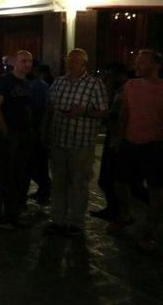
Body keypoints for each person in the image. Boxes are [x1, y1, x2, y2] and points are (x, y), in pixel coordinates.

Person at [44, 48, 108, 237]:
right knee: (58, 182)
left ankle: (76, 223)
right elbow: (51, 107)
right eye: (69, 60)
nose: (70, 63)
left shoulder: (94, 84)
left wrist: (84, 112)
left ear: (84, 64)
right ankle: (57, 220)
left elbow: (104, 112)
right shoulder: (59, 82)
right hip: (58, 140)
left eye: (75, 60)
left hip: (81, 142)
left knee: (79, 183)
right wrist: (45, 130)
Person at [107, 50, 163, 252]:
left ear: (156, 65)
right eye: (136, 62)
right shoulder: (130, 86)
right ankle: (125, 215)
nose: (137, 66)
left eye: (142, 62)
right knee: (119, 181)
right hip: (130, 142)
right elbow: (125, 113)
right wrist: (118, 138)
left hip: (154, 145)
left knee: (156, 190)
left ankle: (149, 232)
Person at [0, 50, 34, 230]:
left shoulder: (27, 84)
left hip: (24, 134)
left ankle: (13, 213)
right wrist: (5, 131)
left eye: (30, 61)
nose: (28, 64)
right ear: (15, 62)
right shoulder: (4, 81)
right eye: (24, 61)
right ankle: (0, 216)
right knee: (4, 175)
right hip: (10, 134)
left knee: (19, 175)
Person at [90, 62, 129, 221]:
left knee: (111, 178)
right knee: (108, 178)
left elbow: (117, 116)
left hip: (117, 139)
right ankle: (115, 210)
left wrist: (94, 113)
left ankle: (119, 212)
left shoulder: (126, 91)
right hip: (114, 137)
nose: (107, 78)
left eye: (109, 75)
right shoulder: (118, 90)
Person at [27, 62, 52, 206]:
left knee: (37, 163)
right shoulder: (35, 84)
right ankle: (43, 189)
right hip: (34, 129)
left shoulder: (39, 85)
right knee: (37, 163)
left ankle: (45, 189)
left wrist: (41, 130)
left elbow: (43, 109)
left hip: (36, 130)